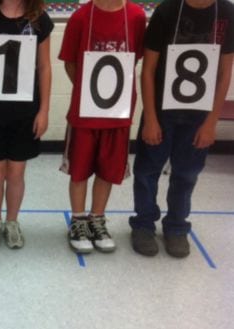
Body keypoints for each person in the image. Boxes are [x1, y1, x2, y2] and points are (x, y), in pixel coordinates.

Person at [129, 0, 233, 257]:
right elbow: (149, 69)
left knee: (186, 174)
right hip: (162, 111)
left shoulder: (227, 12)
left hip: (199, 115)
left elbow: (224, 71)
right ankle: (143, 224)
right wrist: (151, 118)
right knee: (146, 171)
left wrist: (211, 122)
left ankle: (176, 227)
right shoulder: (167, 10)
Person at [59, 0, 146, 253]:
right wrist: (90, 94)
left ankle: (97, 219)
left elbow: (135, 58)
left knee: (107, 170)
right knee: (79, 169)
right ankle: (78, 220)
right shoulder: (80, 17)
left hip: (118, 113)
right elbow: (70, 63)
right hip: (85, 114)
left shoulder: (137, 16)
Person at [0, 0, 53, 248]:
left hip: (25, 112)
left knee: (16, 173)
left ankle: (12, 221)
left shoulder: (39, 20)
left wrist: (44, 110)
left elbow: (45, 67)